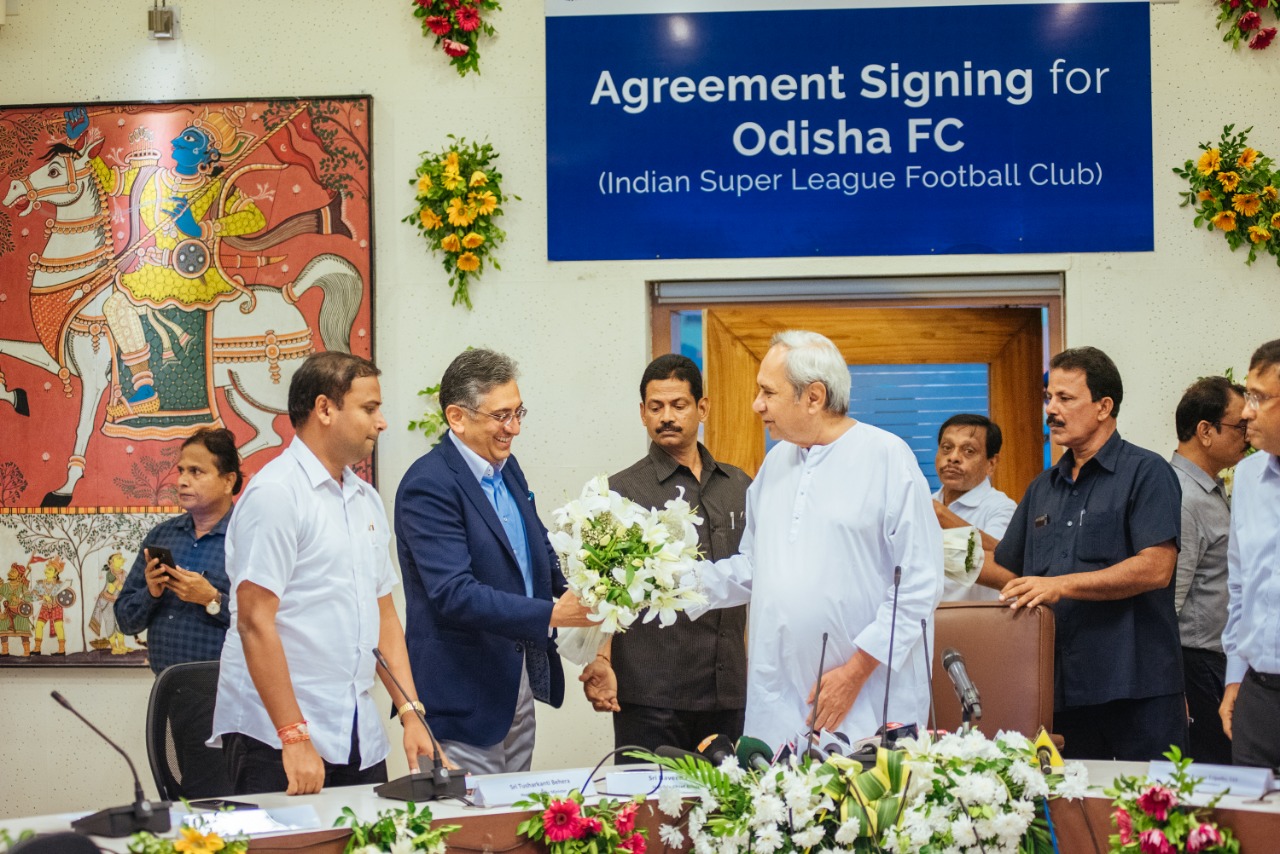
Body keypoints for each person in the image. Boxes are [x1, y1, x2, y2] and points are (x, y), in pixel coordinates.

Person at [692, 331, 942, 749]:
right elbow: (754, 566)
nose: (757, 404)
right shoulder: (776, 463)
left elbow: (919, 583)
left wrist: (854, 673)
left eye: (768, 392)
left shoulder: (886, 457)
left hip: (864, 695)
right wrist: (668, 583)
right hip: (779, 696)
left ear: (813, 397)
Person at [211, 352, 437, 795]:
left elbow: (383, 614)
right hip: (276, 735)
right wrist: (293, 735)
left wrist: (412, 713)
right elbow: (254, 621)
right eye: (369, 409)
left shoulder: (365, 498)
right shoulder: (276, 494)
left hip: (353, 728)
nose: (382, 422)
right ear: (325, 409)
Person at [395, 349, 593, 775]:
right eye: (502, 416)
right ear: (457, 417)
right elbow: (455, 593)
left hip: (515, 684)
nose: (514, 428)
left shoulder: (507, 467)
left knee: (516, 811)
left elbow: (536, 548)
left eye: (518, 412)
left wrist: (589, 589)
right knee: (468, 815)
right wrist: (553, 614)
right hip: (461, 698)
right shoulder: (428, 485)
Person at [995, 347, 1185, 761]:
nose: (1051, 409)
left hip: (1138, 688)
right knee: (1071, 802)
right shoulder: (1042, 487)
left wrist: (1061, 585)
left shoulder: (1147, 472)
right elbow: (1007, 569)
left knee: (1152, 802)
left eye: (1065, 398)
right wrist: (944, 546)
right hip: (1065, 691)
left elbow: (1156, 567)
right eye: (1048, 397)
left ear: (1103, 407)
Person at [580, 354, 752, 756]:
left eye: (679, 405)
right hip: (650, 696)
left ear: (702, 408)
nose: (667, 417)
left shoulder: (739, 486)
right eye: (656, 407)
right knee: (647, 796)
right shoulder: (619, 493)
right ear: (642, 413)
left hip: (729, 692)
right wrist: (602, 657)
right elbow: (603, 592)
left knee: (731, 796)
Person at [115, 428, 243, 673]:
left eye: (196, 471)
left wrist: (211, 599)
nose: (182, 481)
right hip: (166, 686)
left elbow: (269, 623)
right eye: (181, 470)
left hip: (229, 688)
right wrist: (151, 594)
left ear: (228, 481)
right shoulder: (161, 536)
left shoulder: (248, 538)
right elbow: (125, 621)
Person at [1169, 376, 1248, 766]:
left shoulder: (1210, 489)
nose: (1247, 436)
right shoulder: (1183, 497)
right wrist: (1173, 686)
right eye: (1239, 426)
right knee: (1214, 773)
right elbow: (1169, 601)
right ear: (1205, 431)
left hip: (1215, 660)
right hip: (1195, 665)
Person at [1221, 340, 1280, 770]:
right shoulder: (1247, 476)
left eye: (1258, 398)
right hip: (1258, 696)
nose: (1245, 412)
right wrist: (1234, 677)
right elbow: (1240, 585)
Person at [931, 414, 1018, 601]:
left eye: (968, 451)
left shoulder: (1002, 508)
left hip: (973, 617)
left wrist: (942, 516)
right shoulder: (928, 502)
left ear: (991, 464)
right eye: (946, 448)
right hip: (925, 616)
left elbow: (1002, 563)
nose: (953, 457)